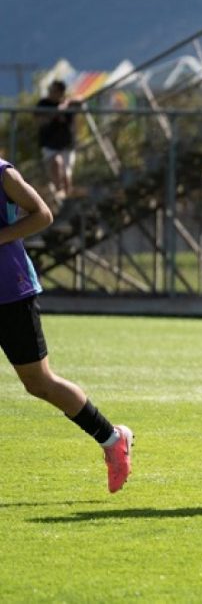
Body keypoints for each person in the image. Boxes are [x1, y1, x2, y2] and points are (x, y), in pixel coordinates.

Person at [0, 156, 133, 492]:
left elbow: (42, 215)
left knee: (39, 383)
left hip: (10, 291)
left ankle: (112, 438)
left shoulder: (2, 172)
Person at [36, 80, 79, 202]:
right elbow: (40, 121)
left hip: (66, 144)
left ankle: (66, 197)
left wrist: (67, 103)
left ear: (60, 93)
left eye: (53, 91)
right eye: (50, 90)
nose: (50, 93)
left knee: (66, 173)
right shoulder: (43, 103)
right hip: (49, 145)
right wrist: (57, 112)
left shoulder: (67, 103)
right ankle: (59, 192)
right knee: (56, 162)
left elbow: (81, 100)